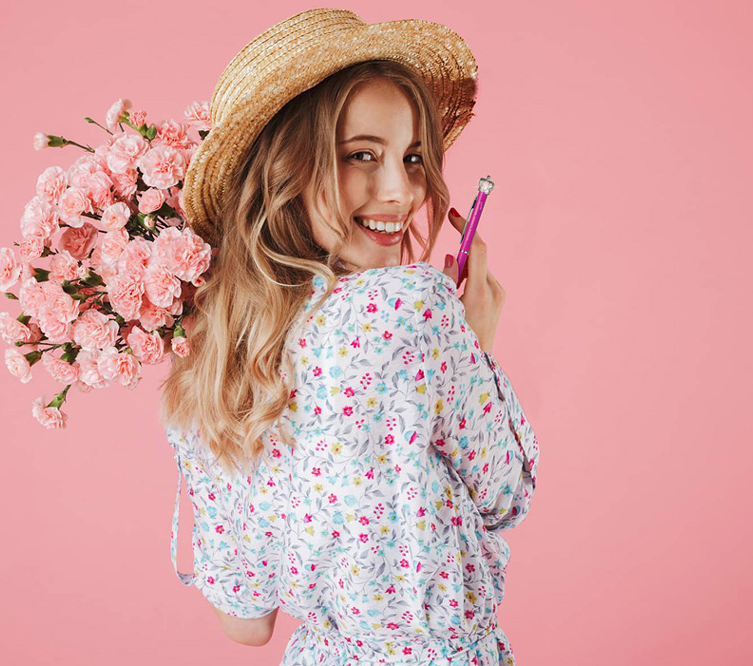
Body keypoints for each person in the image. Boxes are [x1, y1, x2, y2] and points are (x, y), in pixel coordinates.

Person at [159, 9, 540, 665]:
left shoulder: (219, 355)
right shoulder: (414, 306)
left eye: (413, 157)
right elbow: (504, 495)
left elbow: (246, 624)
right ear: (286, 167)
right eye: (362, 155)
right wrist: (471, 343)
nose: (399, 190)